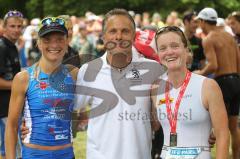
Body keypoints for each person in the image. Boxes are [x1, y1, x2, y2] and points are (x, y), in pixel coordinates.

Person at [74, 8, 165, 159]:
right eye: (112, 31)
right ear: (103, 37)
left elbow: (173, 110)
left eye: (125, 31)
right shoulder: (88, 70)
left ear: (134, 35)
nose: (118, 36)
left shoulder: (154, 70)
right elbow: (72, 108)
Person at [5, 16, 78, 159]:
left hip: (67, 154)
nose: (54, 45)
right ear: (38, 43)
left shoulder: (74, 74)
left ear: (67, 41)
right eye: (47, 40)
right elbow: (12, 126)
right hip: (34, 154)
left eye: (59, 39)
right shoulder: (23, 78)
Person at [152, 25, 229, 159]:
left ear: (186, 50)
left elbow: (222, 134)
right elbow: (154, 125)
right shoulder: (155, 88)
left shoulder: (208, 86)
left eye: (175, 46)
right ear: (158, 54)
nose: (169, 52)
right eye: (163, 48)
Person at [194, 7, 240, 158]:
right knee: (234, 128)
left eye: (199, 22)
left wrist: (199, 73)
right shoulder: (229, 35)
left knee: (221, 129)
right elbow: (238, 61)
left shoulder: (209, 39)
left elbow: (213, 65)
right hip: (236, 80)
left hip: (224, 82)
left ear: (202, 21)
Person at [0, 10, 24, 159]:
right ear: (4, 27)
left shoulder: (12, 47)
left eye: (19, 26)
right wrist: (20, 86)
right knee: (10, 150)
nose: (16, 30)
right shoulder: (1, 47)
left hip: (11, 106)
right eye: (12, 26)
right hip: (4, 108)